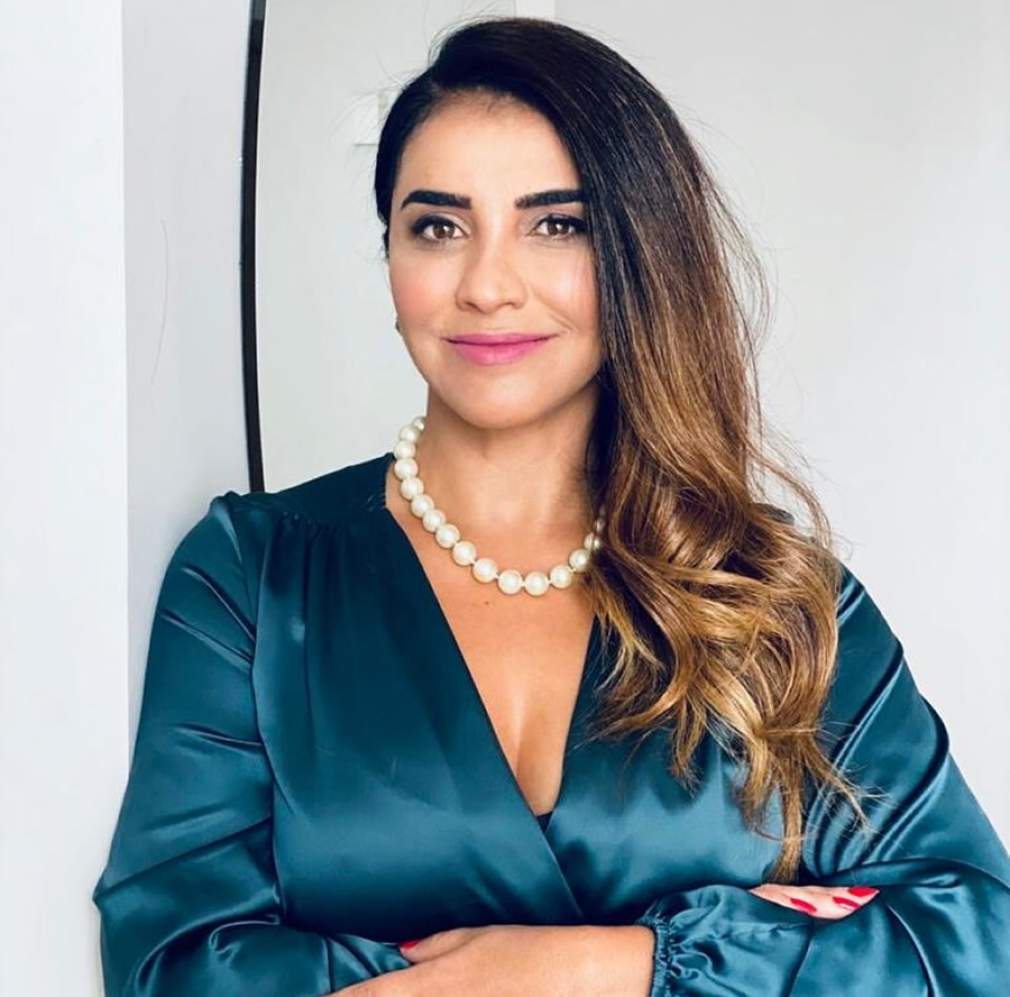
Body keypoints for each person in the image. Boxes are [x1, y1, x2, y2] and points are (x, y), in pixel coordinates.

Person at [91, 15, 1010, 996]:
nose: (487, 286)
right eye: (438, 227)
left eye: (555, 224)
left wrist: (605, 965)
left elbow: (975, 939)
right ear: (389, 255)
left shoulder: (769, 597)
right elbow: (172, 961)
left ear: (638, 255)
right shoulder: (253, 578)